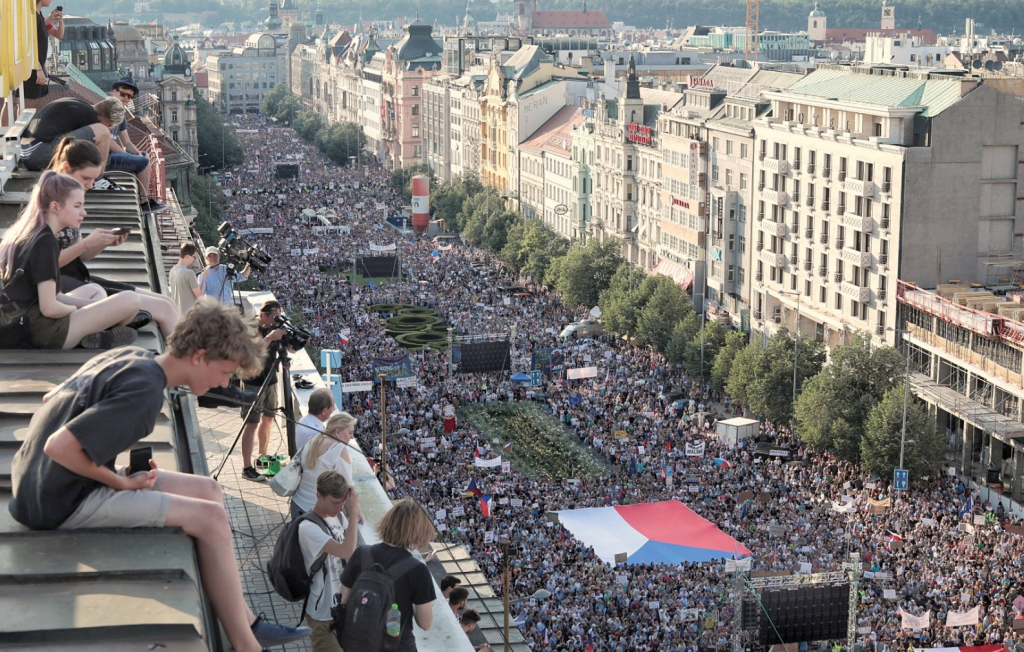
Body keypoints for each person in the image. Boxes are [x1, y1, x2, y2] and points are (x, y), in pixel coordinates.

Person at [7, 297, 311, 651]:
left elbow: (52, 400)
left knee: (209, 490)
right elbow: (58, 447)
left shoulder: (135, 358)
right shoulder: (147, 393)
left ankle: (248, 620)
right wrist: (119, 482)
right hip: (56, 502)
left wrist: (111, 466)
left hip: (39, 482)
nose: (223, 383)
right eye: (225, 372)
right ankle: (246, 644)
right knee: (210, 518)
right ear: (199, 356)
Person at [47, 137, 180, 337]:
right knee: (165, 310)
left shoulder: (71, 198)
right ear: (66, 168)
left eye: (94, 179)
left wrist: (102, 243)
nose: (91, 185)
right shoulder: (51, 203)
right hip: (61, 284)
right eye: (86, 178)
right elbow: (43, 264)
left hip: (77, 277)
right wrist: (86, 243)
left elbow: (78, 257)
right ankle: (179, 364)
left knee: (168, 302)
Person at [0, 171, 140, 349]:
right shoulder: (45, 242)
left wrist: (94, 307)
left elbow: (50, 296)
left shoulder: (32, 233)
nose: (84, 212)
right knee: (131, 300)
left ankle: (93, 335)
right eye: (77, 206)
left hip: (26, 321)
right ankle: (93, 334)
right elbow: (49, 308)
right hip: (44, 332)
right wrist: (79, 311)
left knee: (94, 290)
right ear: (55, 207)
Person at [340, 498, 437, 652]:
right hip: (397, 646)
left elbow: (344, 600)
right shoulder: (418, 570)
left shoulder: (361, 553)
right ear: (418, 532)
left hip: (358, 644)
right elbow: (425, 623)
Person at [298, 470, 361, 652]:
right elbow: (347, 551)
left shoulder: (338, 516)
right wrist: (354, 511)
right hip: (323, 614)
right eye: (335, 502)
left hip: (340, 607)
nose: (340, 508)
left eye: (342, 502)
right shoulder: (308, 528)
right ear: (319, 496)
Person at [239, 300, 286, 482]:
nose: (277, 319)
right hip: (253, 381)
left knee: (268, 419)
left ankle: (262, 456)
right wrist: (270, 338)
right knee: (251, 423)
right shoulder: (249, 328)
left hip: (270, 379)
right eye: (275, 315)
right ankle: (246, 467)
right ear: (263, 314)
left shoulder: (275, 328)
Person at [104, 75, 165, 212]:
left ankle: (144, 196)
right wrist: (127, 155)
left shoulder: (121, 115)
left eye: (129, 97)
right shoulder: (107, 109)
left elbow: (127, 142)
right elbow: (105, 140)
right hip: (101, 158)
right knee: (142, 163)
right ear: (115, 91)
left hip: (109, 155)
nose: (126, 99)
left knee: (143, 156)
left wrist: (137, 153)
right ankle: (144, 202)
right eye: (123, 94)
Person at [20, 97, 121, 172]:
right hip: (37, 153)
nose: (109, 128)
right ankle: (98, 176)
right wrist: (124, 154)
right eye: (109, 125)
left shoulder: (78, 104)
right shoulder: (89, 116)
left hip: (28, 152)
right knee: (103, 131)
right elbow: (104, 138)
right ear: (104, 119)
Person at [290, 412, 357, 519]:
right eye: (350, 433)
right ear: (337, 431)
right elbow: (348, 487)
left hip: (297, 504)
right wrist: (356, 512)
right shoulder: (339, 449)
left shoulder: (314, 440)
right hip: (317, 512)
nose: (352, 437)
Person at [19, 0, 64, 110]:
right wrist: (38, 69)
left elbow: (58, 35)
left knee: (37, 108)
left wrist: (60, 22)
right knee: (29, 111)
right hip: (32, 71)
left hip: (38, 69)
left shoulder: (38, 15)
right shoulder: (31, 16)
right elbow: (27, 46)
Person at [169, 242, 202, 317]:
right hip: (188, 315)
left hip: (176, 314)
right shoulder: (189, 273)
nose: (194, 260)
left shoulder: (172, 270)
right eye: (194, 257)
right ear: (187, 256)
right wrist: (204, 277)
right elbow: (200, 296)